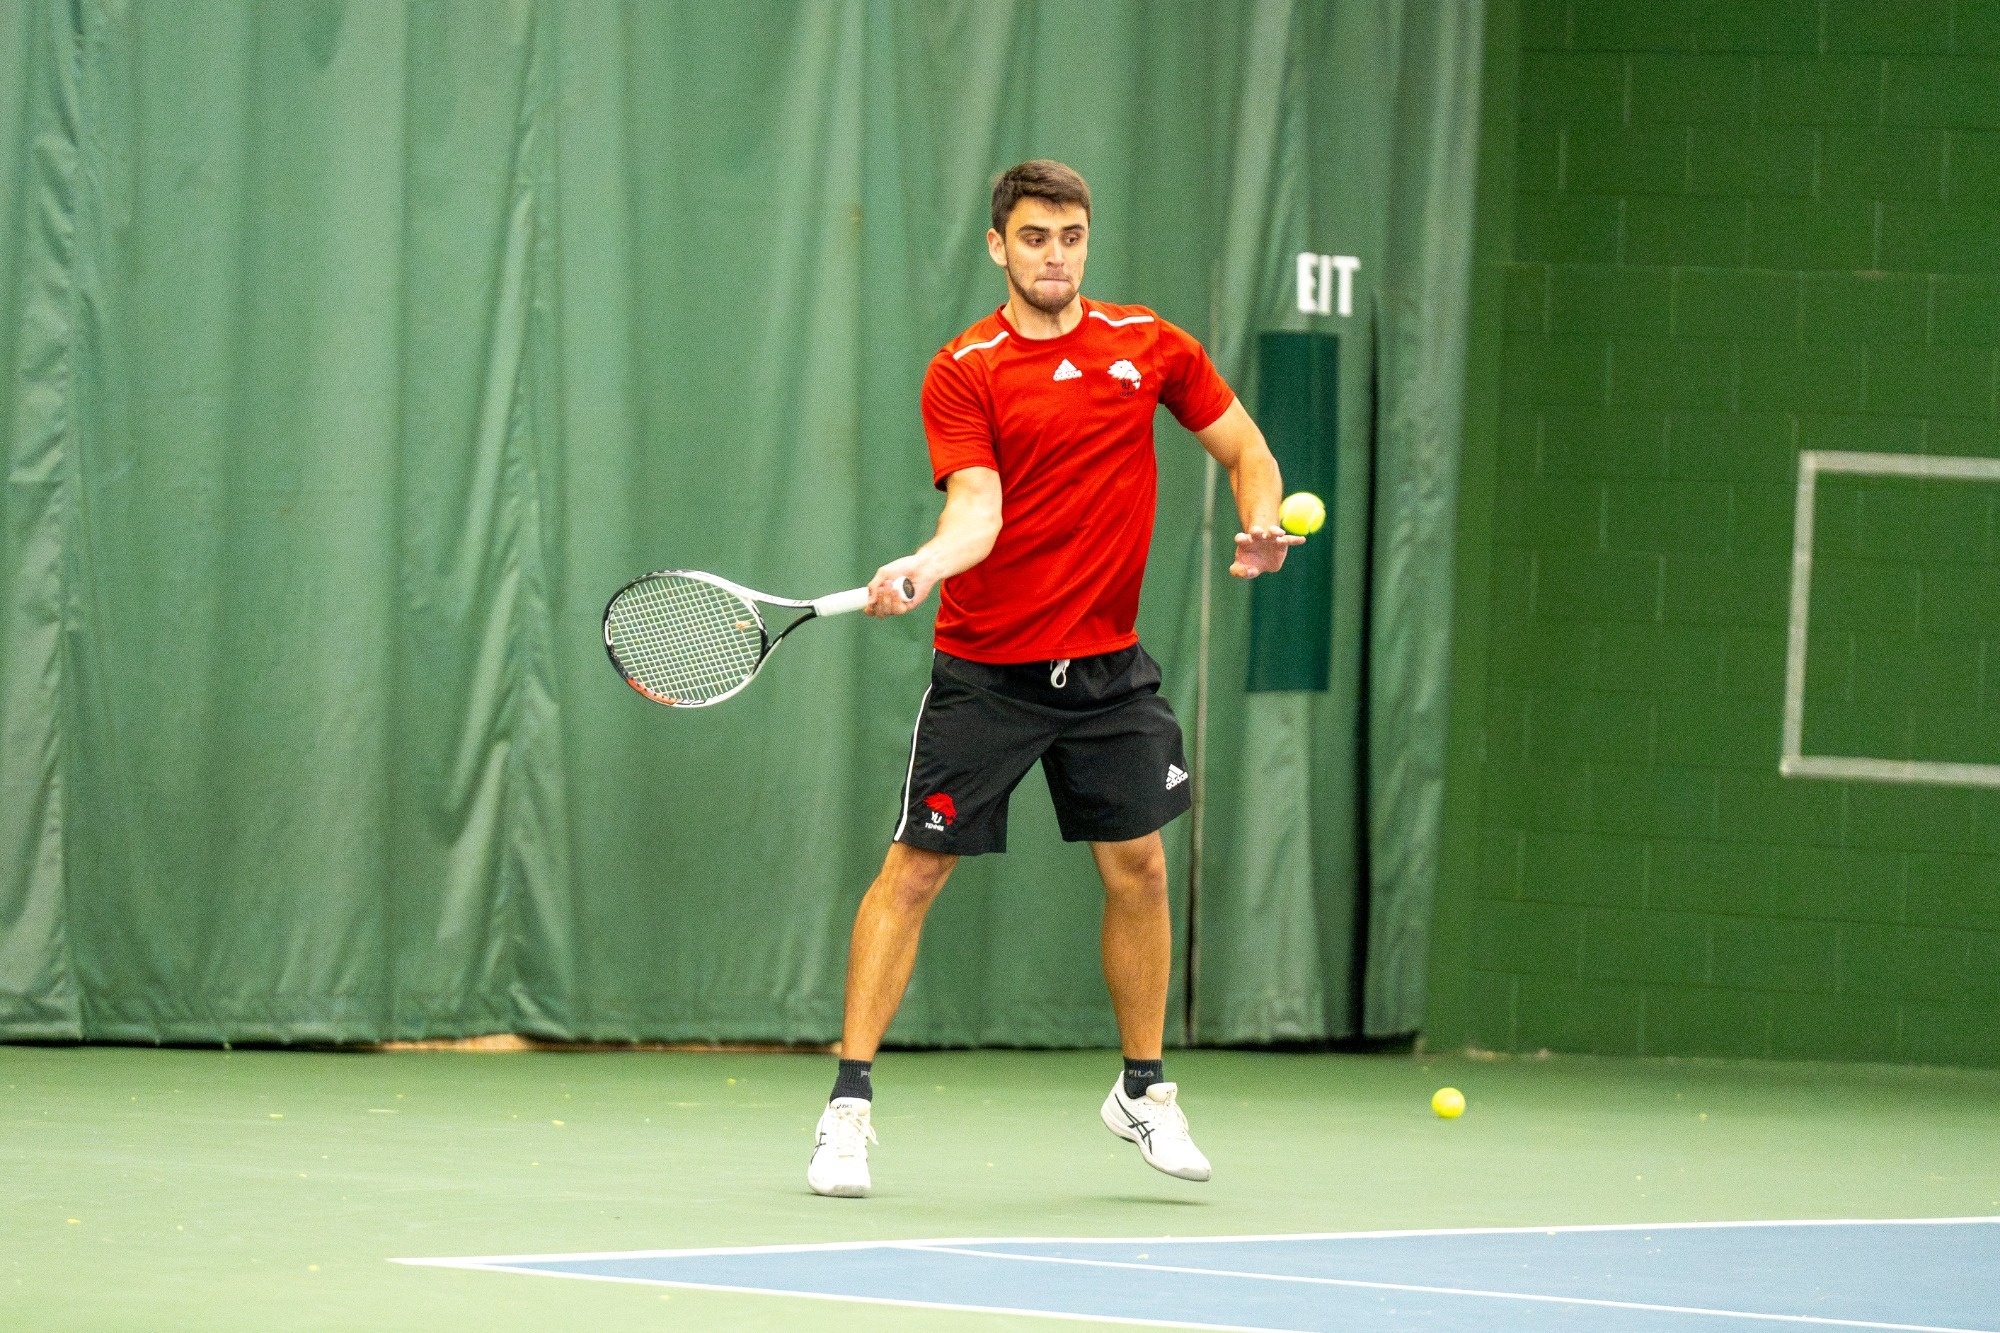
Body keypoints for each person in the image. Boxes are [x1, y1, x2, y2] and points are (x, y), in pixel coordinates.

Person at [807, 160, 1301, 1198]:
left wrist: (1261, 516)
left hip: (1109, 677)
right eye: (1034, 237)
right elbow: (975, 513)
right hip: (987, 675)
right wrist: (921, 566)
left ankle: (1142, 1092)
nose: (1054, 255)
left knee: (1141, 871)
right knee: (915, 870)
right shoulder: (966, 368)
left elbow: (1245, 445)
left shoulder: (1146, 344)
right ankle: (846, 1108)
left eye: (1070, 236)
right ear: (998, 246)